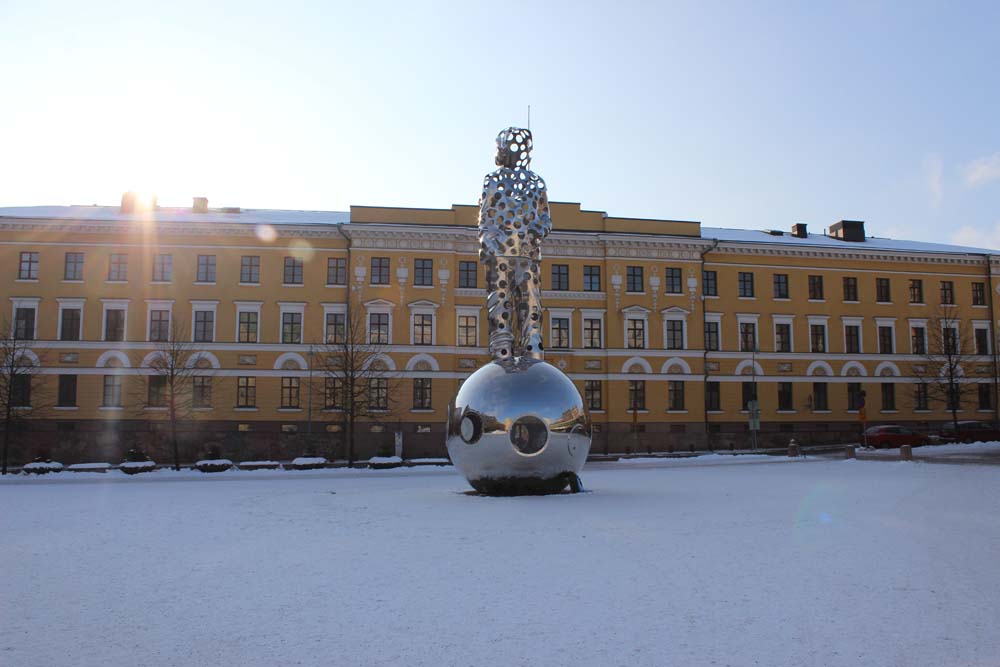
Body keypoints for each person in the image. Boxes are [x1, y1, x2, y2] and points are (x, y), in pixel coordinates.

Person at [477, 127, 552, 362]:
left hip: (527, 255)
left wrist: (535, 234)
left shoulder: (536, 184)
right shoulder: (493, 181)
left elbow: (545, 219)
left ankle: (532, 345)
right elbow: (485, 217)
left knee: (530, 301)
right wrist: (488, 243)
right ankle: (501, 349)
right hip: (500, 253)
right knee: (500, 300)